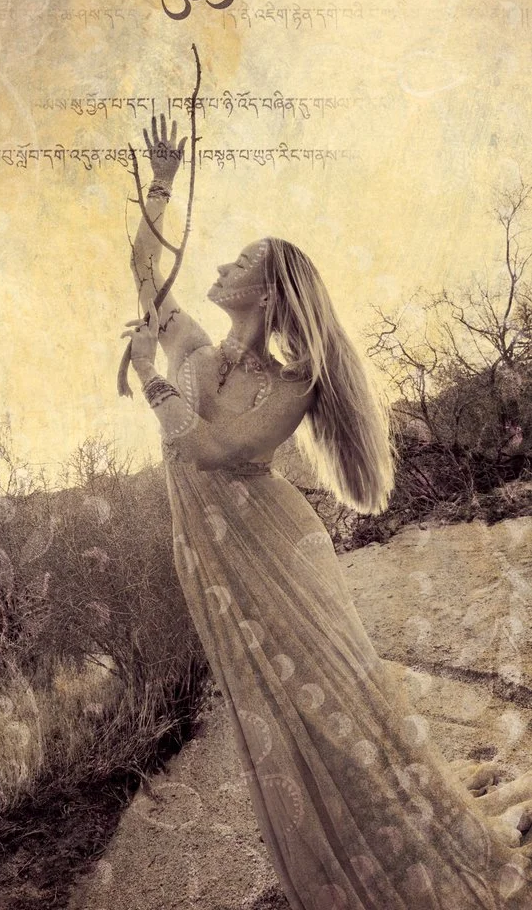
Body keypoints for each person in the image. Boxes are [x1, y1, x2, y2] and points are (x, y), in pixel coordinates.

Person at [121, 114, 532, 909]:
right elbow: (144, 270)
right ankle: (350, 843)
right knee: (279, 713)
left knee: (335, 700)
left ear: (269, 289)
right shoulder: (198, 350)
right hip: (216, 554)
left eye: (240, 259)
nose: (219, 261)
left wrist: (151, 382)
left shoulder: (294, 379)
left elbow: (211, 451)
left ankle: (404, 844)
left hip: (275, 551)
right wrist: (162, 183)